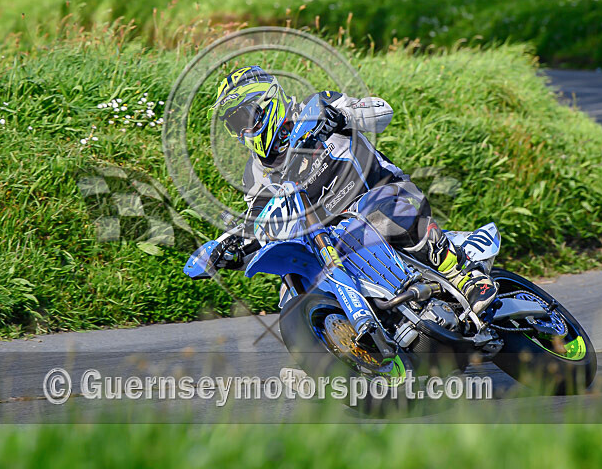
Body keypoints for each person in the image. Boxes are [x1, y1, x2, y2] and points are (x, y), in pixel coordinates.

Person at [207, 65, 497, 315]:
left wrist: (341, 117)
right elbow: (259, 219)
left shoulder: (317, 106)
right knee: (290, 284)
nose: (243, 131)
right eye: (234, 125)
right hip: (331, 238)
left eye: (244, 118)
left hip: (381, 193)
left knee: (380, 208)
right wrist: (232, 248)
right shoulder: (256, 172)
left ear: (268, 103)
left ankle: (467, 277)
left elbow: (382, 110)